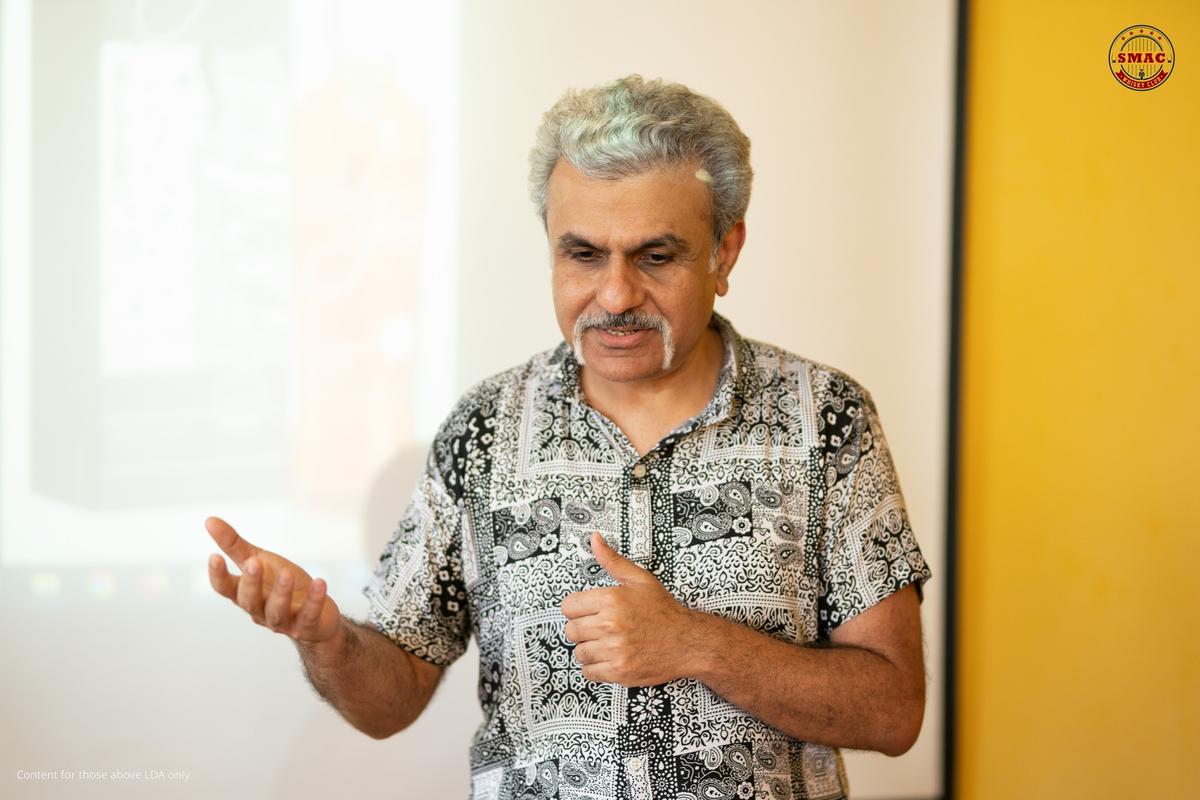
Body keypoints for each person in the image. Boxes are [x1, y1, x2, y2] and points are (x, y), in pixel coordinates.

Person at [206, 74, 932, 800]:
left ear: (725, 251)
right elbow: (390, 700)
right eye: (583, 255)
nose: (614, 296)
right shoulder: (484, 429)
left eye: (656, 257)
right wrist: (327, 641)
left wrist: (698, 643)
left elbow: (894, 710)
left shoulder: (824, 416)